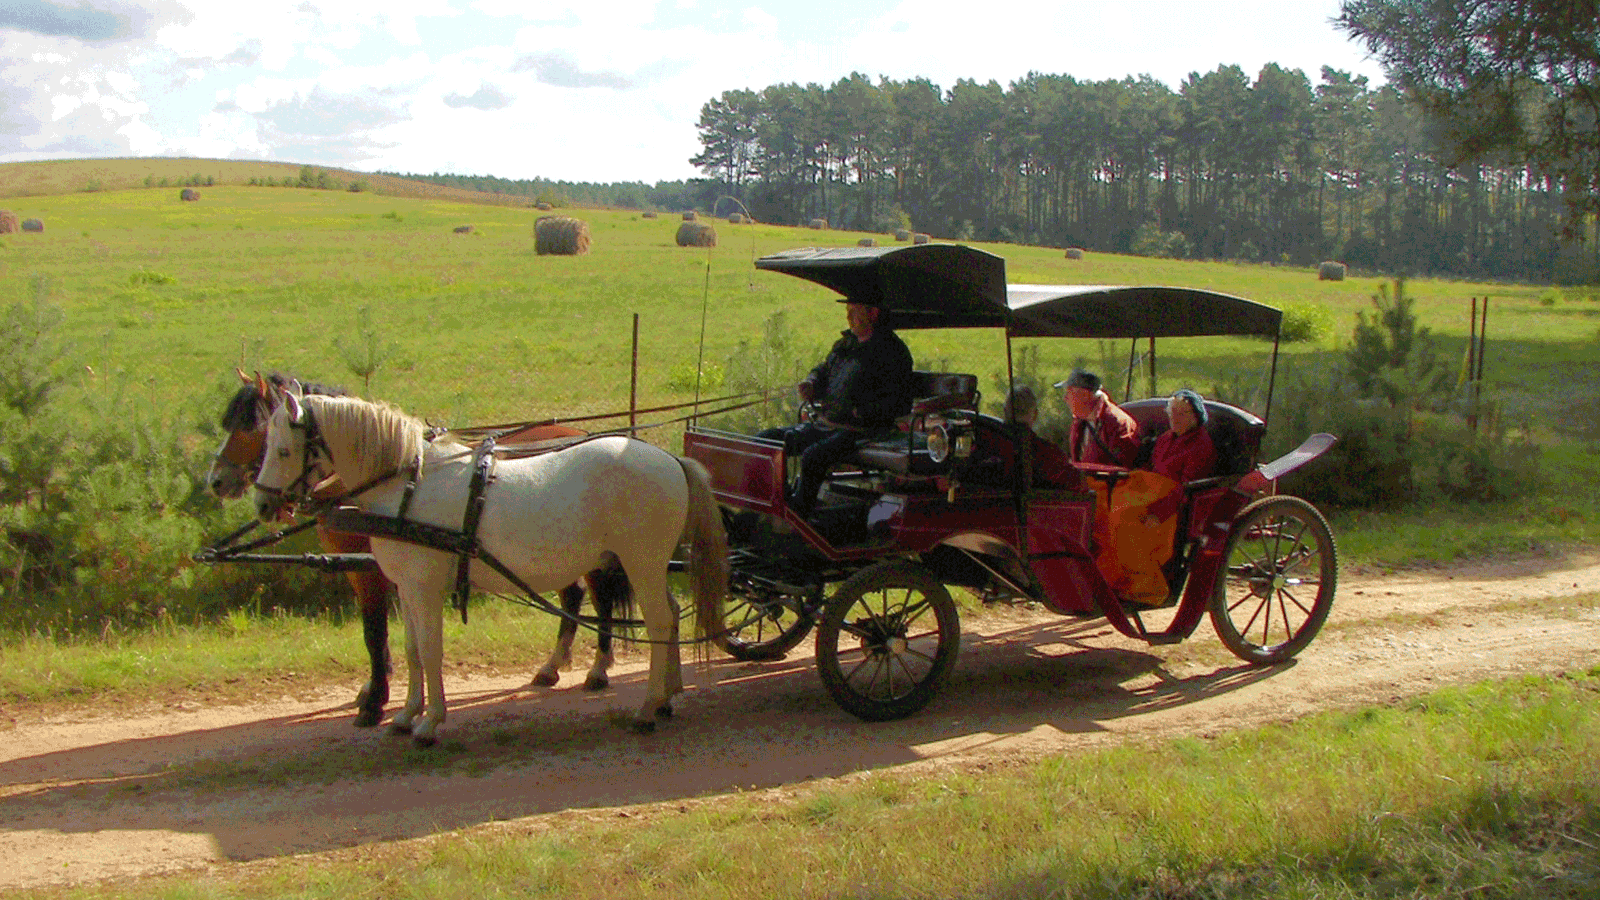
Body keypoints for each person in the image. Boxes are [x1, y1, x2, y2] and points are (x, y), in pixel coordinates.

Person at [760, 301, 913, 518]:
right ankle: (775, 501)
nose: (848, 318)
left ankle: (799, 514)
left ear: (873, 313)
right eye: (847, 311)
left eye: (854, 312)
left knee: (813, 456)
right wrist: (811, 383)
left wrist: (863, 413)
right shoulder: (845, 345)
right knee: (768, 441)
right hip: (827, 424)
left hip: (863, 431)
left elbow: (900, 401)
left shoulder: (892, 352)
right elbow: (823, 370)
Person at [1058, 369, 1139, 467]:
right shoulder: (1080, 421)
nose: (1065, 398)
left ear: (1085, 395)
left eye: (1069, 392)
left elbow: (1123, 470)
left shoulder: (1118, 424)